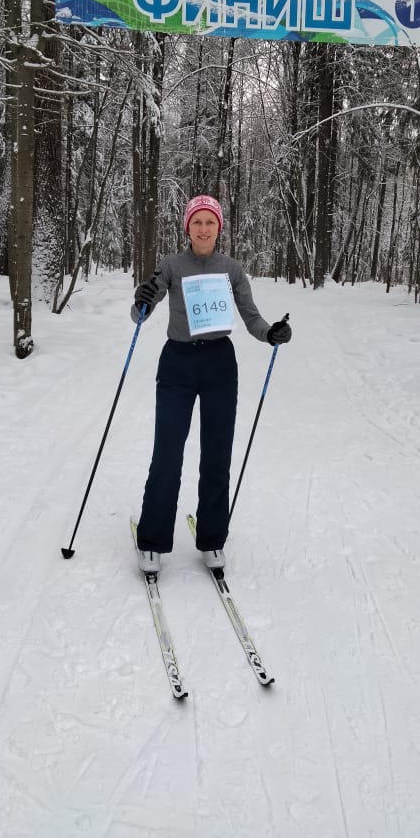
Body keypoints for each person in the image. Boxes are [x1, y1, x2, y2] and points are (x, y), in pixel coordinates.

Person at [131, 194, 291, 574]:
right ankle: (152, 539)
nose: (204, 229)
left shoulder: (231, 269)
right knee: (167, 453)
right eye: (197, 222)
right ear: (187, 227)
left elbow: (251, 317)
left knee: (217, 454)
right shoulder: (172, 264)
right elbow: (143, 310)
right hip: (177, 363)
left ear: (219, 228)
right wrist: (141, 302)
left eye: (210, 222)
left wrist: (271, 333)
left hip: (219, 364)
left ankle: (213, 537)